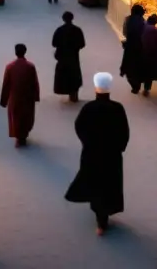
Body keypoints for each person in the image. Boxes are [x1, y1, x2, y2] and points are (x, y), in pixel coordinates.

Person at [65, 72, 131, 235]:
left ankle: (100, 219)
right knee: (110, 183)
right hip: (112, 155)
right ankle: (105, 214)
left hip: (92, 153)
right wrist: (119, 147)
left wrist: (87, 142)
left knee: (96, 183)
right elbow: (125, 131)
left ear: (96, 87)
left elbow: (78, 126)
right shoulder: (117, 108)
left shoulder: (88, 108)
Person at [0, 43, 41, 147]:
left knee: (16, 118)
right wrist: (36, 96)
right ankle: (23, 136)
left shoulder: (10, 67)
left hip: (15, 97)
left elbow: (6, 84)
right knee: (26, 117)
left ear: (15, 52)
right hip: (27, 97)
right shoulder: (30, 67)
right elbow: (35, 83)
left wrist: (4, 100)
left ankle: (19, 138)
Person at [52, 11, 86, 102]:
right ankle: (74, 95)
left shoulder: (59, 30)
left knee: (63, 76)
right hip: (74, 57)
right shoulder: (77, 30)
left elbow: (54, 43)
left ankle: (65, 90)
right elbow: (82, 44)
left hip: (62, 57)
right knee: (74, 76)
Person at [120, 4, 147, 94]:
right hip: (140, 47)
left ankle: (134, 86)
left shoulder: (127, 19)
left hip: (130, 46)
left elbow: (124, 32)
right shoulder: (143, 21)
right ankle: (138, 83)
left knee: (129, 66)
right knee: (138, 66)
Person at [141, 13, 157, 97]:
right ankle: (146, 89)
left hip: (141, 52)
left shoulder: (142, 26)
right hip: (151, 54)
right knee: (149, 73)